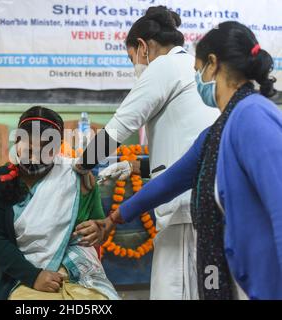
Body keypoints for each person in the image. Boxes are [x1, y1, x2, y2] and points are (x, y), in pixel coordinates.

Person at [102, 21, 281, 300]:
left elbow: (119, 126)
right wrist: (114, 218)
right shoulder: (215, 134)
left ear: (212, 64)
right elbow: (170, 181)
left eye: (197, 71)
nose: (196, 80)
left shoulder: (253, 115)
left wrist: (82, 164)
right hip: (243, 271)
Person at [73, 6, 219, 299]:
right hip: (207, 200)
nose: (135, 68)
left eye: (132, 60)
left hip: (183, 209)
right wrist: (138, 167)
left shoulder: (163, 66)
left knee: (174, 291)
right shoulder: (192, 67)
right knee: (208, 289)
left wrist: (82, 166)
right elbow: (187, 149)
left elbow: (120, 126)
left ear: (143, 47)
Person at [0, 106, 119, 300]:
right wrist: (34, 276)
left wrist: (98, 230)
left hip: (79, 272)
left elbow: (98, 228)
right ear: (17, 142)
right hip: (19, 272)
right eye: (28, 150)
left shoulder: (76, 178)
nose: (35, 158)